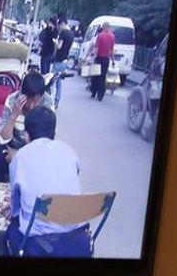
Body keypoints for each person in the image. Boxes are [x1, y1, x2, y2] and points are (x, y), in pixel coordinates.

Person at [7, 105, 91, 257]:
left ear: (26, 135)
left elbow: (16, 206)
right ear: (54, 133)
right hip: (77, 240)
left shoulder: (20, 156)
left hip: (37, 245)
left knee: (11, 229)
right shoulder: (69, 151)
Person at [89, 21, 117, 101]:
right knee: (102, 77)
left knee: (95, 76)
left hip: (99, 58)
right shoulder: (112, 36)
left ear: (104, 27)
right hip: (106, 59)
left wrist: (93, 57)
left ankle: (93, 92)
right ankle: (100, 95)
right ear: (109, 27)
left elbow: (96, 48)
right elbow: (112, 50)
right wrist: (113, 60)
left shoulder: (100, 35)